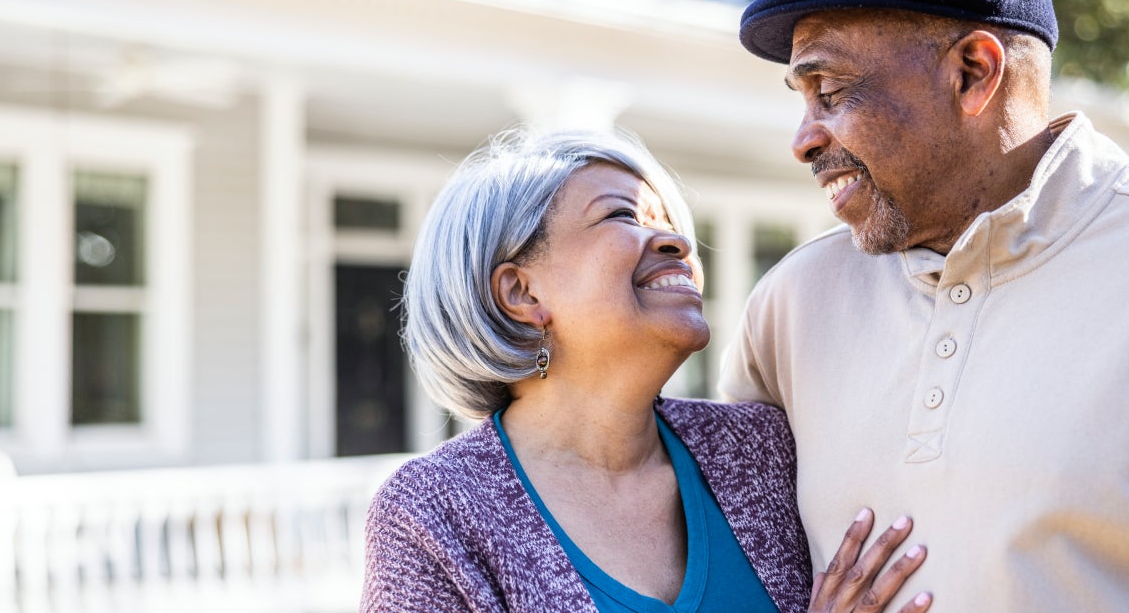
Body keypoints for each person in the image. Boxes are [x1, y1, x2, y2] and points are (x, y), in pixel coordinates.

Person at [722, 0, 1129, 613]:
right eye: (801, 99)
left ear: (973, 73)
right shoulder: (789, 304)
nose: (804, 140)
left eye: (831, 91)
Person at [361, 128, 934, 612]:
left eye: (669, 221)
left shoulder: (759, 449)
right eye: (622, 215)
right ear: (520, 290)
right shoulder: (431, 515)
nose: (678, 242)